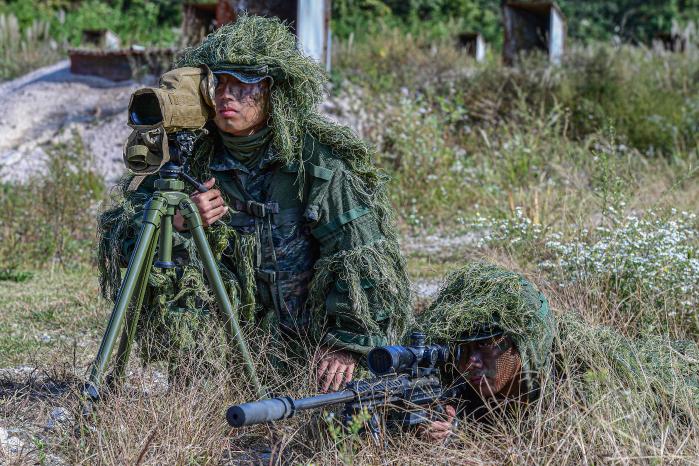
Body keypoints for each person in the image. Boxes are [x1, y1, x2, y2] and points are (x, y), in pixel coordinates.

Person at [97, 15, 412, 391]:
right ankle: (200, 372)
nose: (227, 95)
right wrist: (178, 223)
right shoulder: (192, 157)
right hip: (233, 343)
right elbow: (123, 237)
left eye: (244, 84)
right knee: (171, 257)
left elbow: (362, 256)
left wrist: (347, 346)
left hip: (310, 346)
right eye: (220, 83)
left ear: (272, 92)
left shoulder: (315, 163)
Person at [415, 262, 555, 442]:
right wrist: (444, 426)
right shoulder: (458, 387)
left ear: (520, 342)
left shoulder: (565, 380)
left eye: (484, 344)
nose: (470, 362)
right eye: (461, 350)